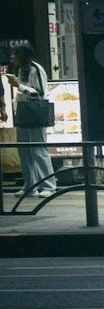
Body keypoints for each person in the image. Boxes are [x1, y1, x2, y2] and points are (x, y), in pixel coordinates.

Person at [8, 47, 55, 198]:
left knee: (39, 151)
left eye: (15, 54)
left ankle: (48, 186)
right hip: (22, 113)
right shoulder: (21, 69)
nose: (12, 57)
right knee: (24, 152)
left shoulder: (36, 69)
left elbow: (39, 93)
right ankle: (30, 186)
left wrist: (18, 86)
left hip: (35, 114)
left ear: (23, 55)